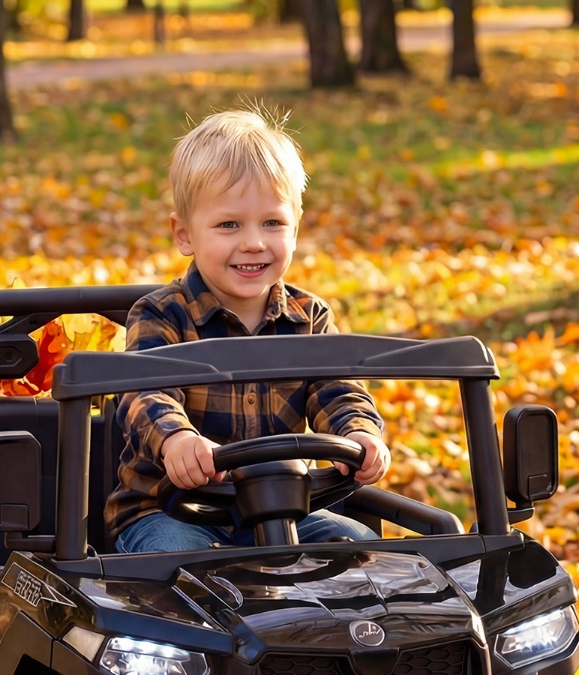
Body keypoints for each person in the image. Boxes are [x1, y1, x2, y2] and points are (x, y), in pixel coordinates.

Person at [106, 106, 392, 554]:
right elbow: (145, 395)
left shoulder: (308, 317)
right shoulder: (161, 315)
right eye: (228, 225)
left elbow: (338, 389)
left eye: (272, 223)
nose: (254, 242)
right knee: (179, 565)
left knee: (358, 549)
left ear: (295, 229)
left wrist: (358, 433)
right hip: (172, 510)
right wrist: (176, 439)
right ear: (184, 234)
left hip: (286, 507)